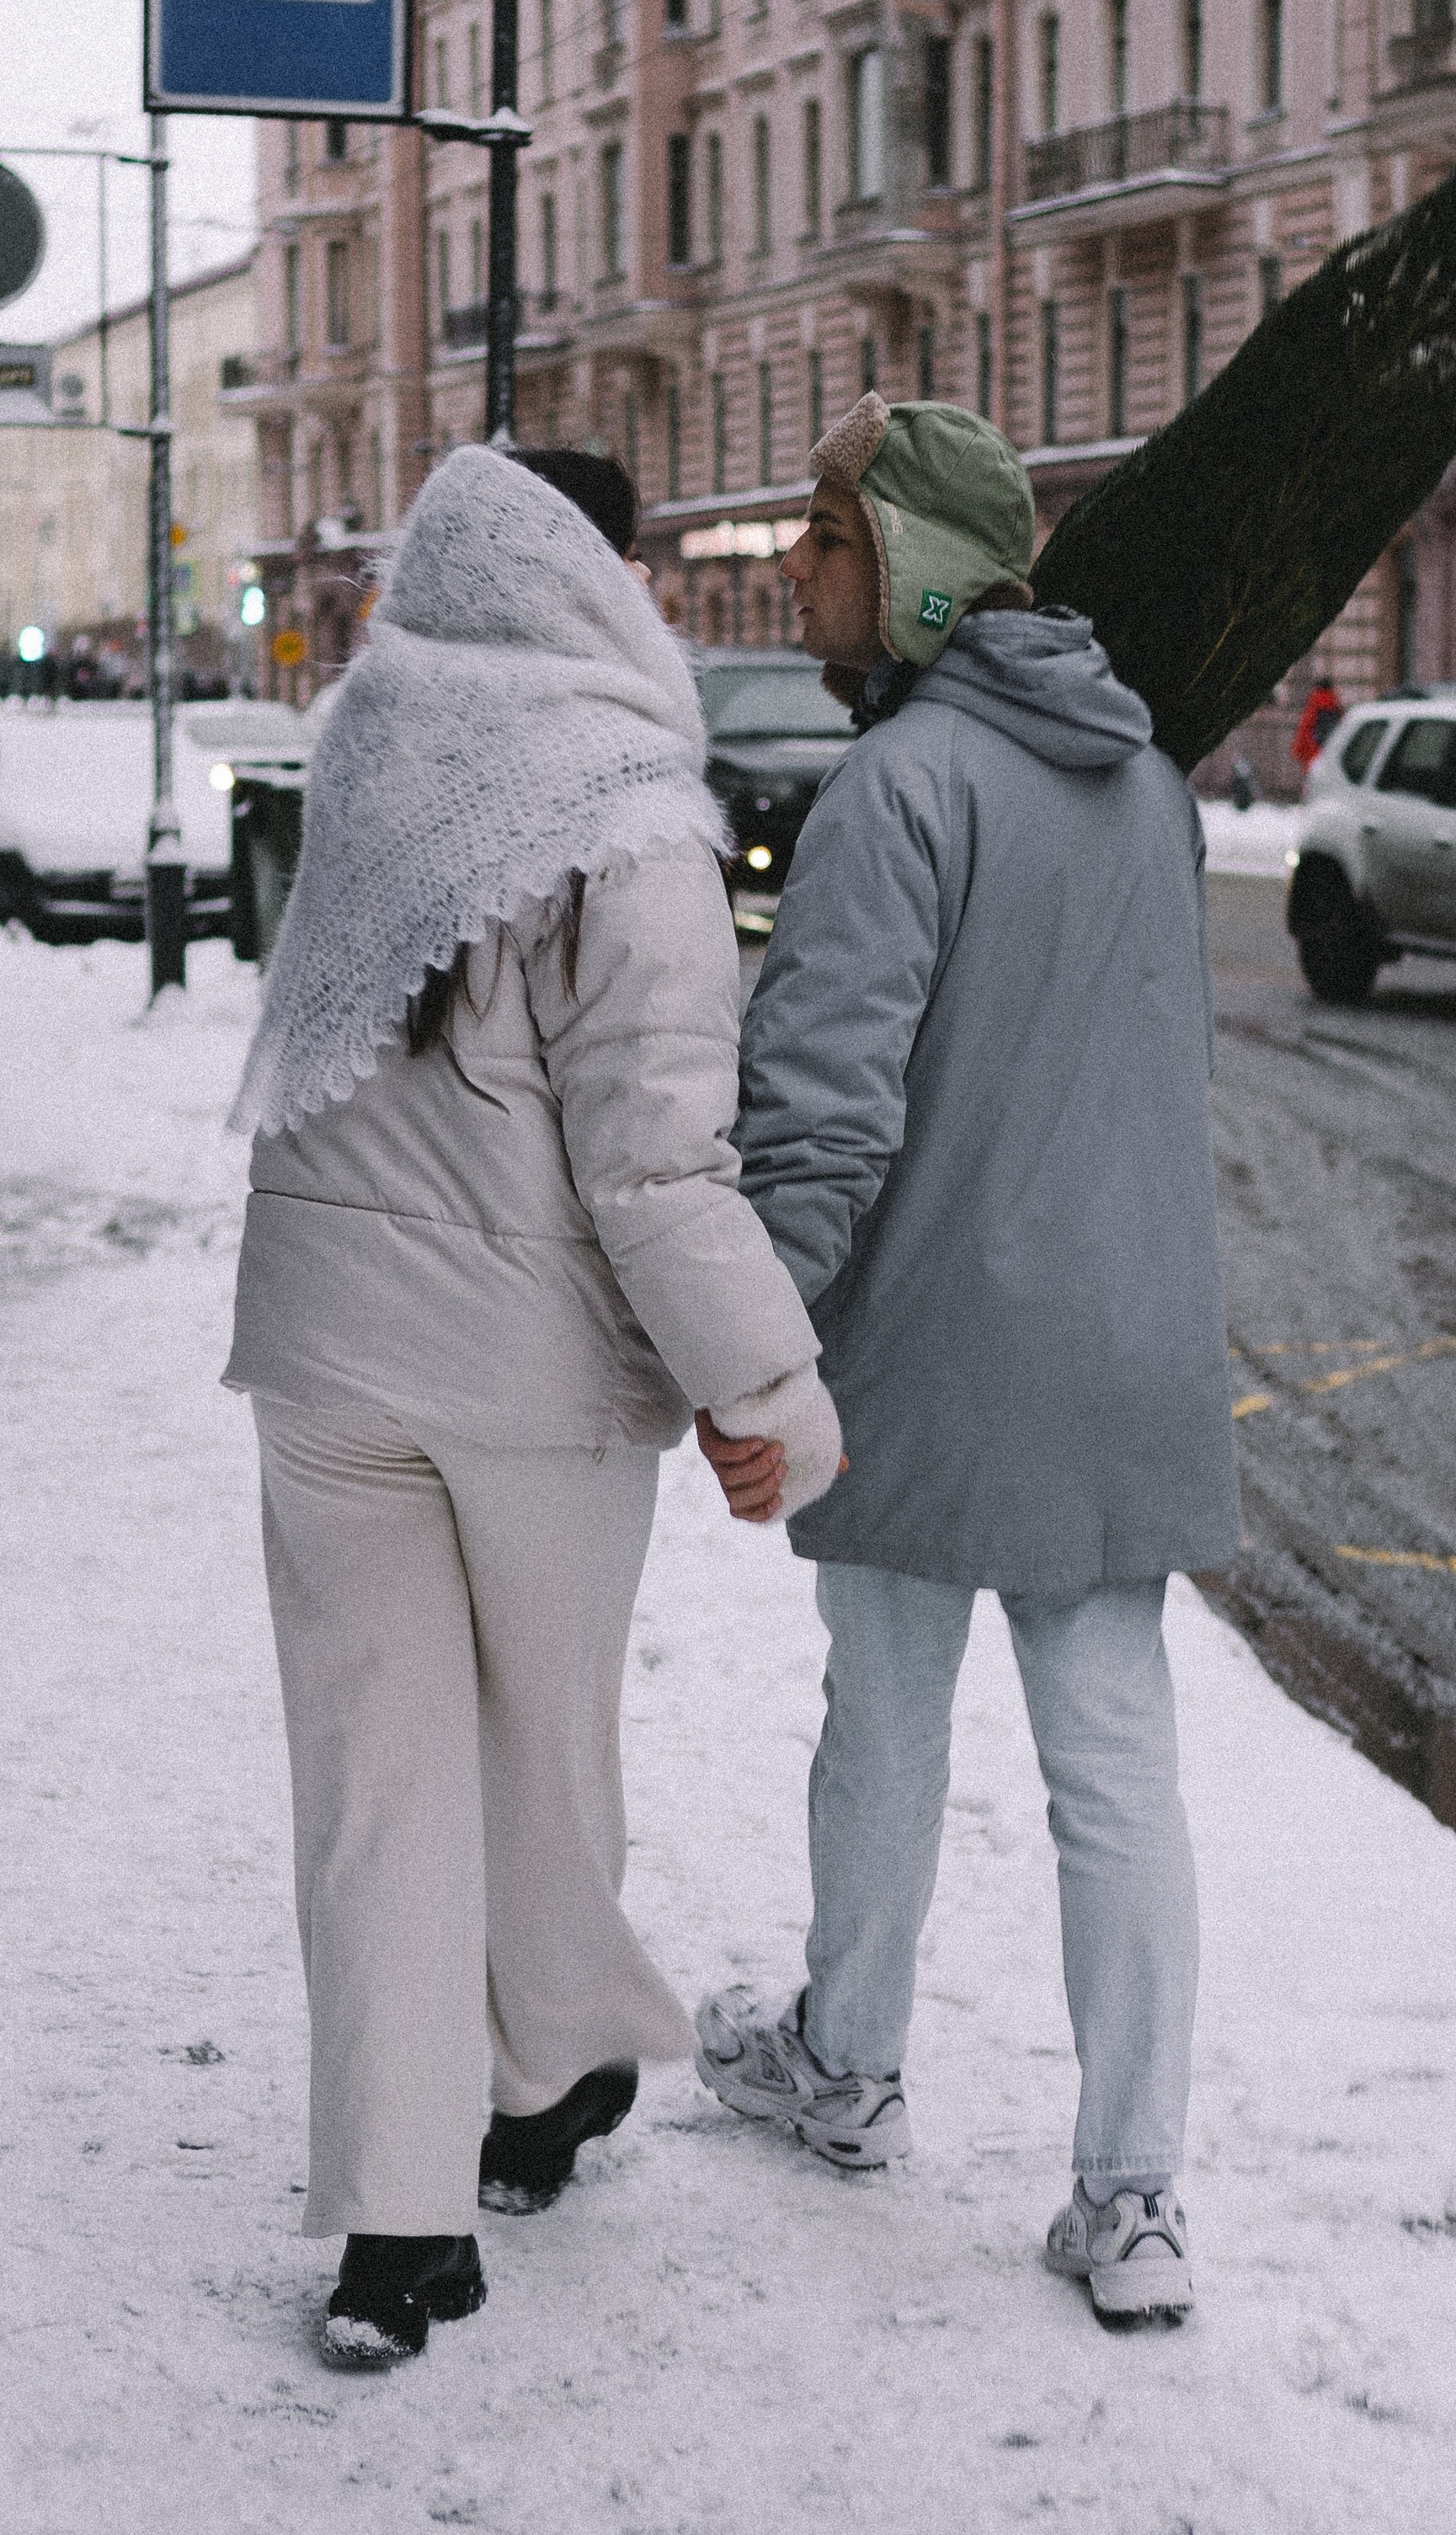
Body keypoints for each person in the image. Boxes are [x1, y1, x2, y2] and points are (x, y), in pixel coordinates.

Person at [222, 443, 840, 2369]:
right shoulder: (629, 809)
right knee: (543, 1752)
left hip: (321, 1351)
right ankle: (543, 2073)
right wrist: (767, 1384)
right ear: (602, 582)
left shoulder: (362, 752)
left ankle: (398, 2239)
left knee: (374, 1791)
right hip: (525, 1374)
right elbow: (657, 1160)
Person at [695, 394, 1241, 2328]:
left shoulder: (899, 788)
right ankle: (1133, 2194)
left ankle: (843, 2066)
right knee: (1117, 1772)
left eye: (828, 537)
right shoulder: (1148, 781)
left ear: (914, 567)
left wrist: (752, 1351)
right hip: (1128, 1348)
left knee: (886, 1724)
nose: (798, 568)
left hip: (925, 1349)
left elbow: (824, 1123)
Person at [1290, 674, 1343, 772]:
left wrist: (1297, 750)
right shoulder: (1335, 704)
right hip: (1330, 750)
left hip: (1313, 749)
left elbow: (1305, 727)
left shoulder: (1315, 703)